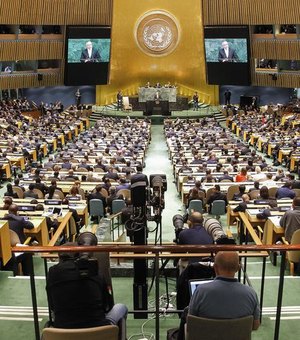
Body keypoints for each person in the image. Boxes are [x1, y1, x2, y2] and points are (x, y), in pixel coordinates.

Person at [46, 236, 128, 333]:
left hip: (62, 331)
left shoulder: (52, 273)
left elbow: (52, 306)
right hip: (99, 331)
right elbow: (108, 306)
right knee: (121, 307)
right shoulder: (94, 271)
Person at [185, 251, 260, 334]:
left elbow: (191, 324)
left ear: (215, 267)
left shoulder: (200, 291)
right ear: (238, 268)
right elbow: (255, 325)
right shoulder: (251, 293)